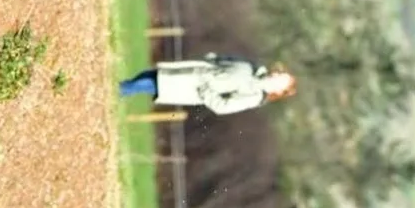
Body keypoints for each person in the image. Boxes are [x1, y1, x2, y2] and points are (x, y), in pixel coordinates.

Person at [119, 54, 297, 116]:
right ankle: (119, 90)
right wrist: (212, 59)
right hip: (192, 71)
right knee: (148, 76)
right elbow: (227, 60)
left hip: (192, 89)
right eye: (281, 75)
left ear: (279, 91)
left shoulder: (254, 97)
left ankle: (116, 91)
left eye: (282, 82)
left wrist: (206, 90)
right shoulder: (253, 67)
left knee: (147, 84)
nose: (277, 77)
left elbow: (224, 107)